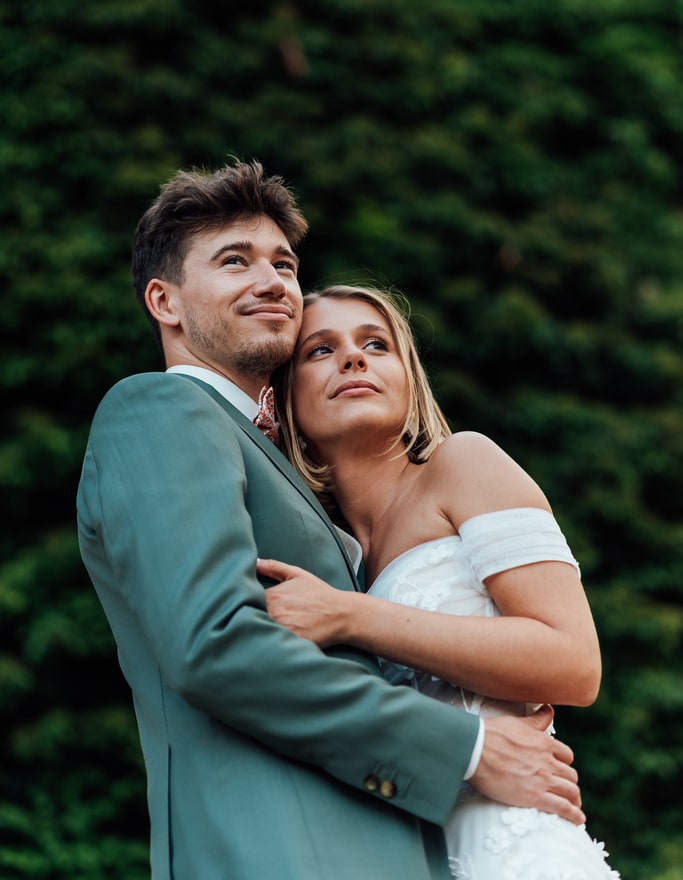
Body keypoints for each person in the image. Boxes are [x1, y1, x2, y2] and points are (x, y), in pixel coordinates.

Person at [77, 161, 584, 880]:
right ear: (165, 301)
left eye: (283, 263)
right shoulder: (162, 410)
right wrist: (466, 749)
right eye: (234, 261)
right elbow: (215, 643)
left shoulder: (296, 476)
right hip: (282, 849)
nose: (271, 280)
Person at [259, 283, 621, 879]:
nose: (353, 357)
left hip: (516, 844)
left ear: (407, 375)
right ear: (283, 399)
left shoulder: (465, 464)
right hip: (401, 854)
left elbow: (575, 662)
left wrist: (354, 617)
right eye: (319, 350)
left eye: (375, 343)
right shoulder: (329, 557)